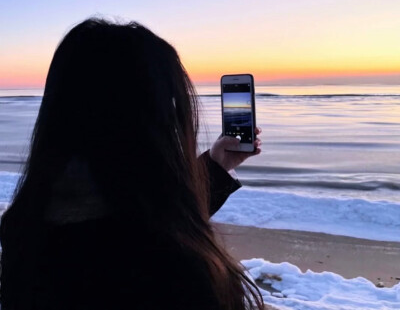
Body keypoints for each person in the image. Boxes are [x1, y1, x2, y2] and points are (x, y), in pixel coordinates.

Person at [0, 18, 263, 310]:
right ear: (151, 123)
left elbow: (138, 208)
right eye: (172, 104)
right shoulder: (170, 272)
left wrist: (216, 165)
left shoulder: (25, 228)